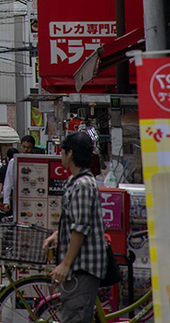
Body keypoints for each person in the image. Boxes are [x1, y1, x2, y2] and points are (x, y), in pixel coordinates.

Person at [43, 132, 110, 323]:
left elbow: (80, 228)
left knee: (75, 317)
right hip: (78, 267)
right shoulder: (76, 181)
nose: (60, 155)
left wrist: (65, 263)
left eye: (62, 151)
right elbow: (76, 220)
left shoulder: (83, 185)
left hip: (82, 267)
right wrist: (57, 234)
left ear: (70, 153)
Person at [0, 135, 36, 210]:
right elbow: (8, 181)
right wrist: (6, 201)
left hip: (33, 195)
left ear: (32, 148)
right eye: (24, 147)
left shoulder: (36, 161)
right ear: (21, 146)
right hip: (17, 195)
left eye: (28, 148)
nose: (26, 149)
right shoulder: (13, 161)